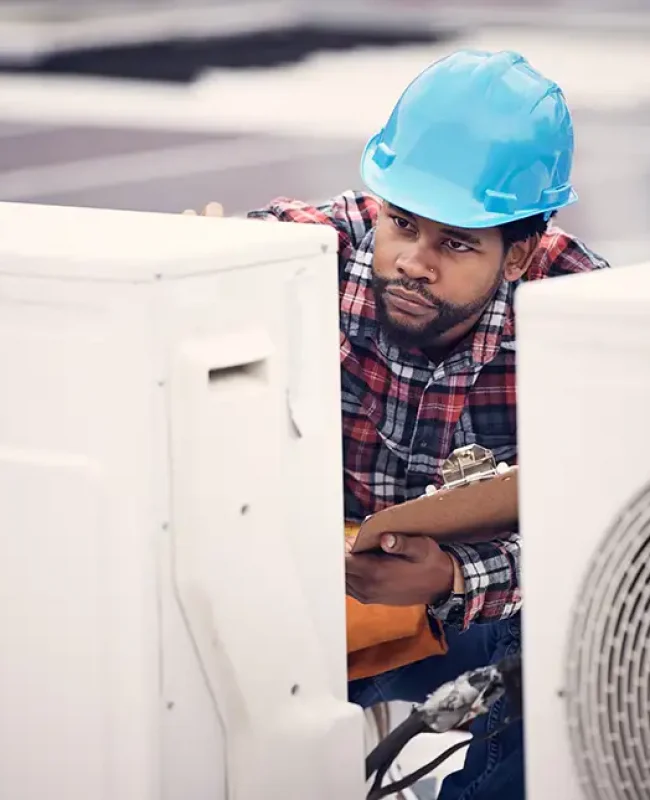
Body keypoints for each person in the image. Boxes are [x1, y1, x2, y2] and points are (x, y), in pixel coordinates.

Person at [187, 49, 609, 799]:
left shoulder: (585, 322)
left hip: (477, 615)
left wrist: (454, 575)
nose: (413, 261)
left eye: (455, 243)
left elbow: (609, 538)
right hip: (306, 599)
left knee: (582, 651)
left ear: (520, 256)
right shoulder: (301, 253)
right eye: (403, 224)